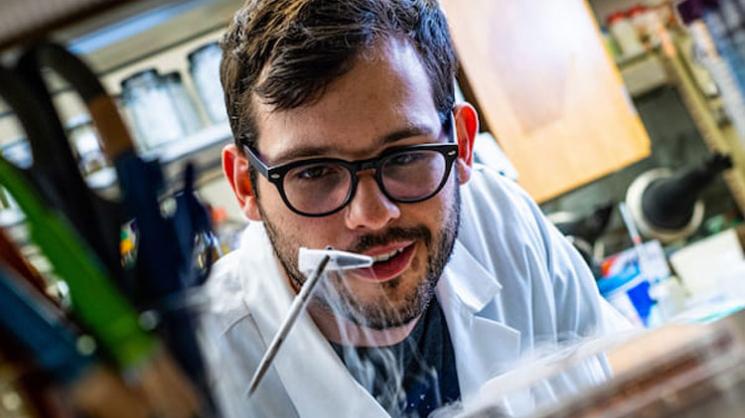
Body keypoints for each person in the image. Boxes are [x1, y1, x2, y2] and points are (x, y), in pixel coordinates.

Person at [200, 0, 630, 417]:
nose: (370, 214)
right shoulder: (207, 366)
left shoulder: (500, 222)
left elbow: (629, 379)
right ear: (246, 186)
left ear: (461, 145)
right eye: (314, 173)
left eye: (404, 156)